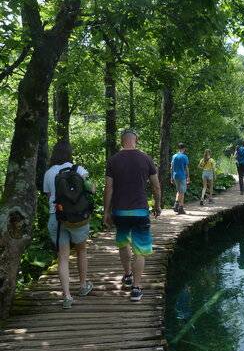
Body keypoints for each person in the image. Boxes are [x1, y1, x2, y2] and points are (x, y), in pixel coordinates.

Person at [103, 129, 161, 302]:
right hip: (140, 211)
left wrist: (106, 211)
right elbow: (156, 186)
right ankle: (136, 289)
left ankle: (127, 275)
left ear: (122, 141)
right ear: (136, 140)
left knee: (123, 243)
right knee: (140, 250)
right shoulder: (146, 158)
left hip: (120, 211)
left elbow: (109, 187)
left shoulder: (113, 160)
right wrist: (157, 205)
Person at [43, 141, 94, 309]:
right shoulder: (78, 169)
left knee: (63, 257)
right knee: (81, 250)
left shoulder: (49, 172)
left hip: (56, 217)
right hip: (78, 218)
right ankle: (83, 286)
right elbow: (91, 189)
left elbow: (49, 196)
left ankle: (66, 296)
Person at [171, 143, 190, 215]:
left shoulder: (174, 156)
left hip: (175, 175)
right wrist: (188, 176)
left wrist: (171, 177)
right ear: (184, 148)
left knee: (178, 191)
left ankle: (176, 205)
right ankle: (180, 207)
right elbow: (186, 168)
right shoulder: (184, 157)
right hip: (182, 176)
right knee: (182, 192)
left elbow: (171, 167)